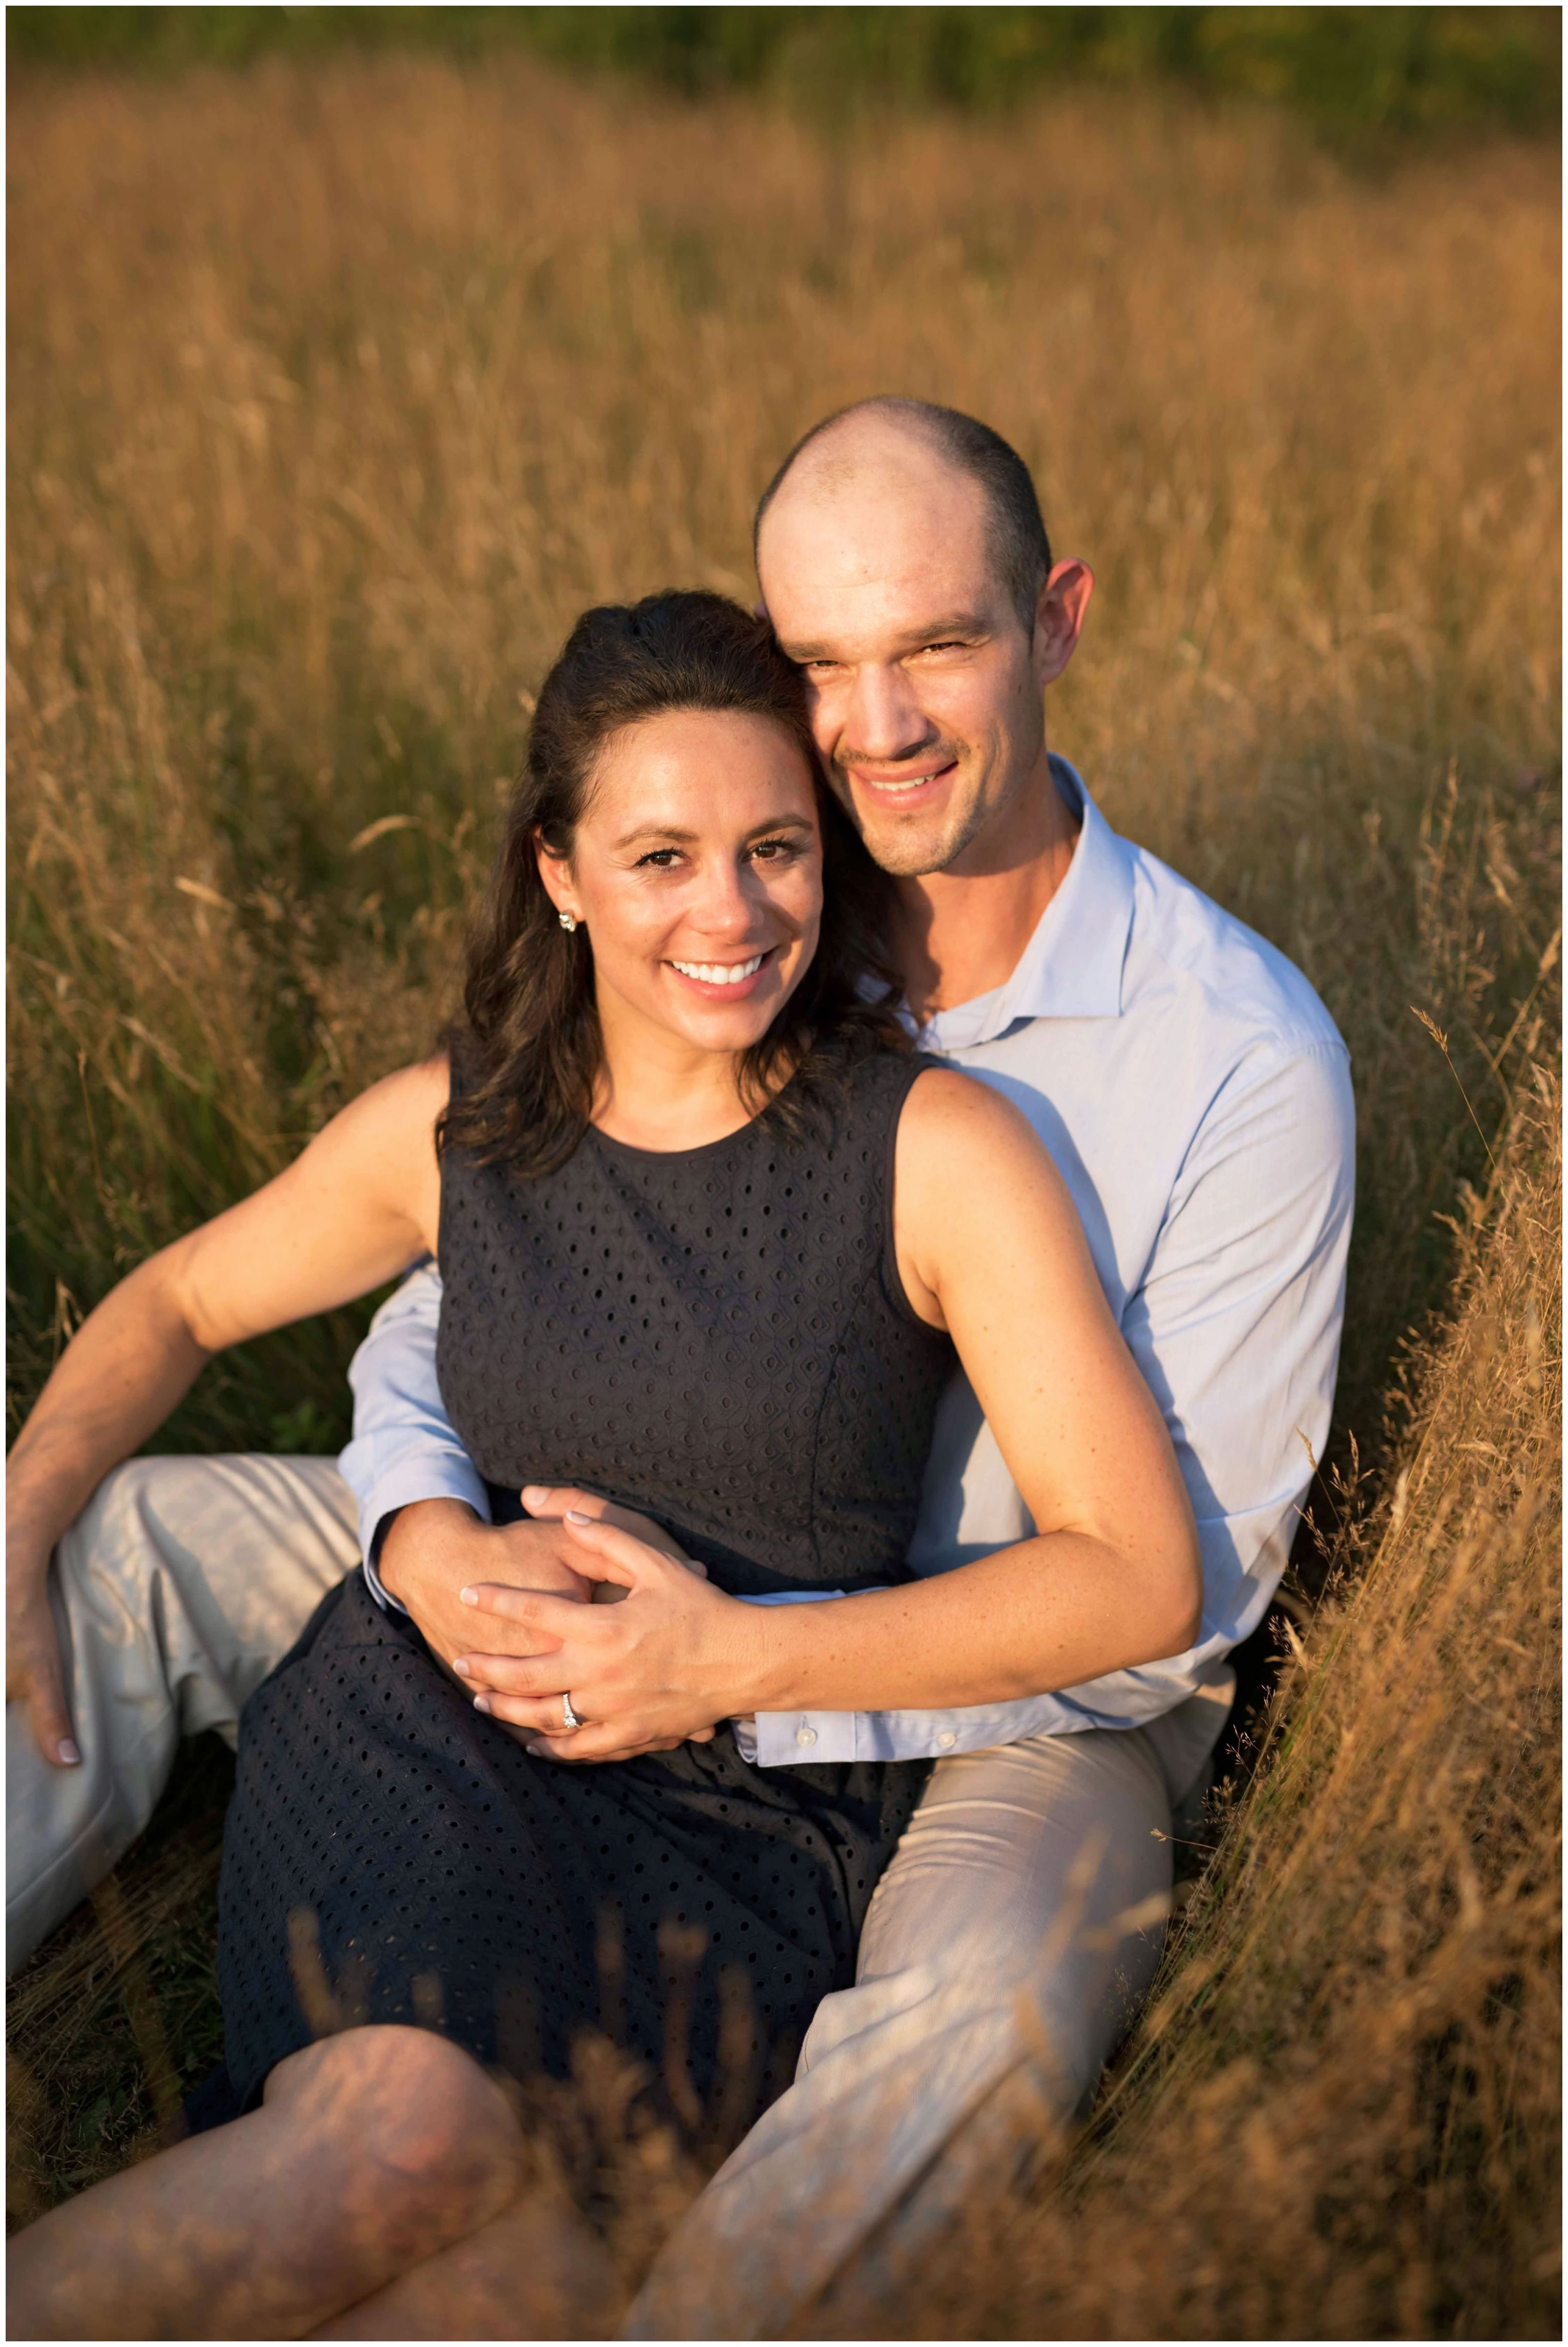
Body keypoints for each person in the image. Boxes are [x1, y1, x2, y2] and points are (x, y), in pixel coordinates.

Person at [6, 398, 1354, 2335]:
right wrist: (408, 1527)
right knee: (123, 1539)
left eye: (938, 648)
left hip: (997, 1693)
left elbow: (1161, 1602)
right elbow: (476, 1287)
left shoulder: (1228, 1059)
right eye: (821, 664)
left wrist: (734, 1661)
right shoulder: (748, 908)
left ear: (1056, 622)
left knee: (956, 2020)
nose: (874, 721)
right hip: (548, 1572)